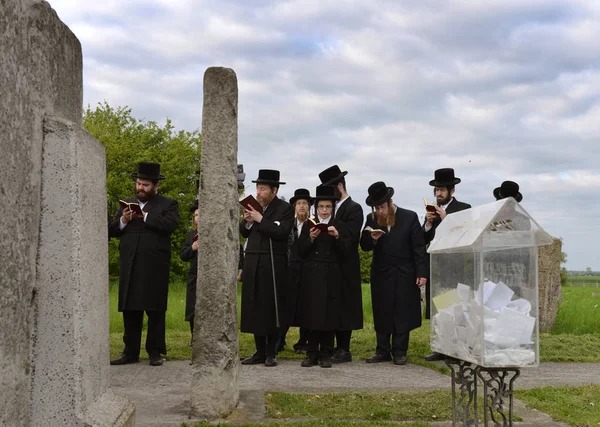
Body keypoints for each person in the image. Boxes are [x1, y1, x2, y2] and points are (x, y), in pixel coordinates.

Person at [108, 162, 180, 366]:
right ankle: (130, 352)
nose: (140, 188)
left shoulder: (168, 204)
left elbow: (170, 225)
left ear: (156, 186)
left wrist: (145, 216)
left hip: (154, 267)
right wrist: (123, 219)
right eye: (139, 183)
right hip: (130, 265)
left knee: (155, 309)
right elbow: (111, 230)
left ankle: (155, 352)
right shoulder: (126, 203)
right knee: (130, 309)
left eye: (145, 185)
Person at [359, 181, 427, 365]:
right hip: (381, 273)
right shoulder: (371, 218)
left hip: (404, 272)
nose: (380, 211)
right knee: (382, 310)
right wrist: (371, 239)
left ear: (390, 202)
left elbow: (418, 248)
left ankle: (399, 351)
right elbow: (364, 246)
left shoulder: (409, 217)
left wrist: (421, 272)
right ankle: (382, 350)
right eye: (376, 207)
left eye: (382, 207)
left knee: (402, 311)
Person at [239, 169, 294, 367]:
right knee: (254, 305)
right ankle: (259, 351)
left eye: (262, 189)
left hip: (273, 263)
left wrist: (260, 219)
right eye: (257, 188)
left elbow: (281, 231)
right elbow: (244, 233)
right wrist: (248, 221)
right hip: (253, 261)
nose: (258, 192)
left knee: (270, 307)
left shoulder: (285, 208)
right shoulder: (254, 207)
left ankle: (271, 352)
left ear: (274, 190)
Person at [296, 185, 350, 368]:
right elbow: (300, 251)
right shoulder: (308, 225)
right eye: (321, 207)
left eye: (328, 207)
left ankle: (326, 353)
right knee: (312, 315)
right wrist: (311, 238)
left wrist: (337, 237)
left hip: (332, 275)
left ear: (333, 208)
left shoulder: (340, 225)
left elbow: (347, 252)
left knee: (329, 315)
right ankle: (312, 353)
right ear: (316, 208)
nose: (325, 210)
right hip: (312, 276)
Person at [317, 165, 364, 363]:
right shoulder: (330, 209)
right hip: (329, 264)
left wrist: (334, 225)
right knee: (332, 305)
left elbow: (352, 237)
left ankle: (344, 348)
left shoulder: (354, 208)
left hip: (346, 264)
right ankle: (330, 345)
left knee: (346, 305)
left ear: (339, 186)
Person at [423, 168, 471, 362]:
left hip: (457, 268)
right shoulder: (432, 210)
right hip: (438, 268)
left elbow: (466, 234)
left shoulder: (464, 208)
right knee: (440, 311)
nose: (438, 194)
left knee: (457, 311)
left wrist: (445, 219)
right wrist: (427, 224)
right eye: (436, 190)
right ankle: (441, 348)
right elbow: (423, 238)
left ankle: (458, 350)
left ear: (452, 190)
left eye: (442, 189)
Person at [276, 188, 313, 354]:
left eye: (305, 203)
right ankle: (279, 339)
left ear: (309, 206)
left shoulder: (313, 224)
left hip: (307, 271)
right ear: (294, 207)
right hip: (289, 270)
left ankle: (304, 341)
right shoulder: (288, 224)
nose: (302, 206)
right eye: (299, 203)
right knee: (286, 305)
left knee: (306, 305)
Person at [180, 201, 199, 343]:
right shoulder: (191, 235)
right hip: (194, 274)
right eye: (196, 215)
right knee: (193, 307)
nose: (198, 217)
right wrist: (192, 247)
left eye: (200, 214)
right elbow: (183, 256)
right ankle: (194, 337)